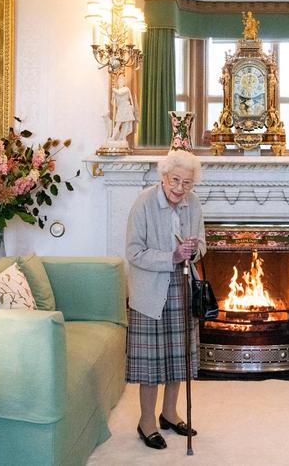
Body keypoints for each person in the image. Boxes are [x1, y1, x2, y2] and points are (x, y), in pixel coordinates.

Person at [125, 150, 206, 450]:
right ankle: (146, 422)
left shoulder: (193, 203)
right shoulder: (144, 202)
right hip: (150, 291)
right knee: (151, 363)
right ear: (164, 176)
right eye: (175, 180)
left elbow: (203, 245)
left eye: (187, 183)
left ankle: (169, 414)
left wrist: (193, 250)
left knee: (177, 356)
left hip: (183, 286)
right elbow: (133, 252)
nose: (180, 188)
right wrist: (171, 256)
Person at [110, 73, 136, 141]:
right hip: (120, 109)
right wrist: (113, 97)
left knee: (126, 125)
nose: (121, 81)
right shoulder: (116, 91)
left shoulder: (126, 89)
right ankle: (112, 137)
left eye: (122, 80)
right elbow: (112, 102)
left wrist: (114, 90)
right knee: (118, 124)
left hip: (126, 108)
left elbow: (120, 93)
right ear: (117, 81)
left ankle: (123, 138)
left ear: (124, 82)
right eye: (119, 79)